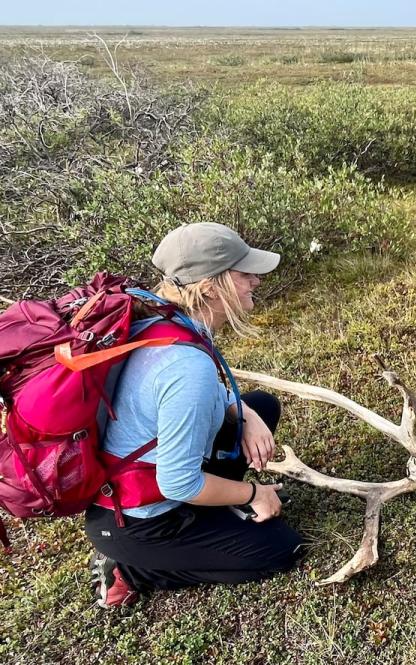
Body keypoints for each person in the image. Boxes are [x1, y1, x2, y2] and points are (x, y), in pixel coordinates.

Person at [85, 222, 304, 608]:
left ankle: (217, 507)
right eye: (244, 273)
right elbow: (178, 484)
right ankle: (129, 571)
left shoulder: (160, 318)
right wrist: (254, 492)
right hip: (140, 521)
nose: (256, 280)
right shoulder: (186, 367)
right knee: (279, 549)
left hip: (132, 482)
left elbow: (187, 397)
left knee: (261, 406)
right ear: (209, 288)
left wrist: (247, 414)